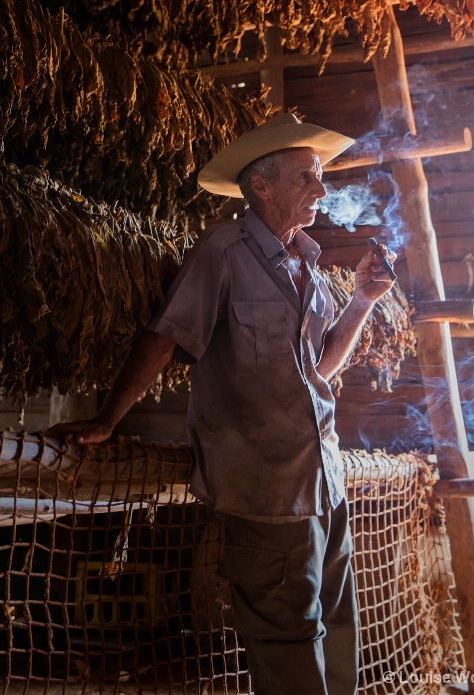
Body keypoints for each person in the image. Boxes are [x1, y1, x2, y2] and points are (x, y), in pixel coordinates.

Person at [48, 112, 396, 695]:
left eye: (319, 175)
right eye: (307, 176)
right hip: (266, 493)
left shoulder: (307, 261)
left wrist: (362, 299)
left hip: (325, 484)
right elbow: (166, 333)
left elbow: (318, 370)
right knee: (288, 646)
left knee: (338, 628)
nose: (322, 188)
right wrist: (110, 419)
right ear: (261, 186)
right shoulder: (224, 250)